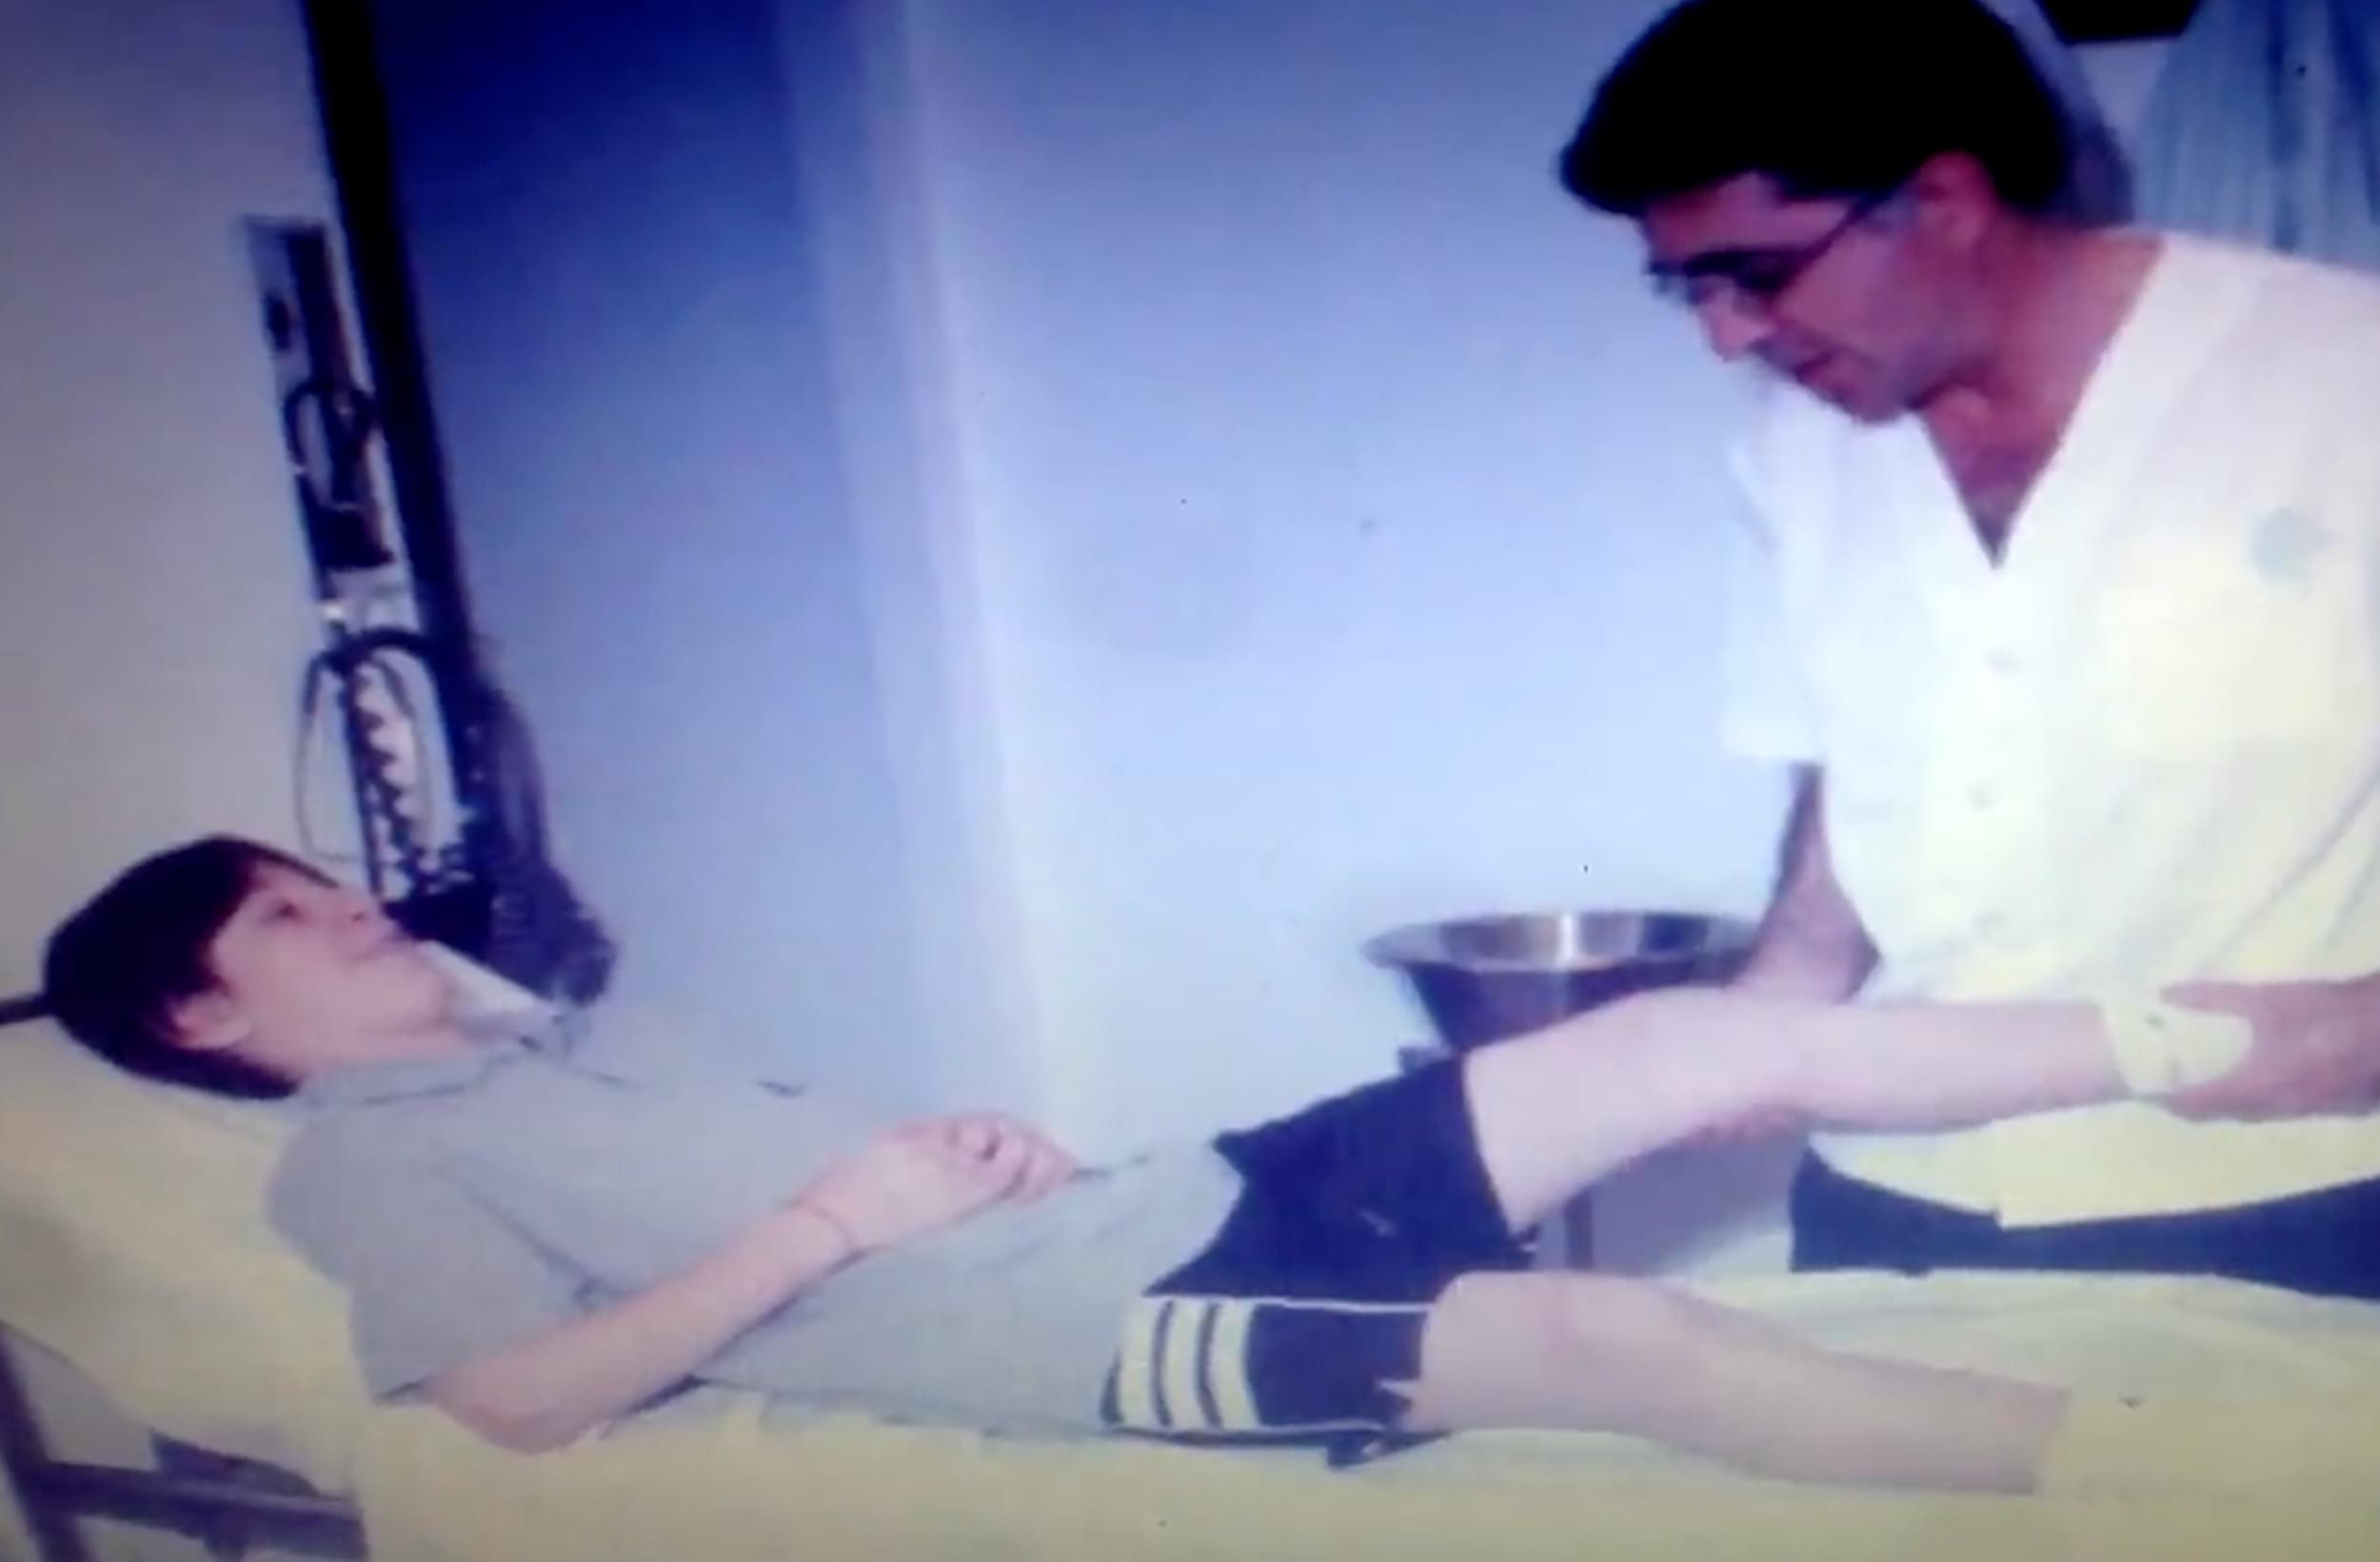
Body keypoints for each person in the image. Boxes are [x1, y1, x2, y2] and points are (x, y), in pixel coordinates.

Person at [46, 834, 2268, 1493]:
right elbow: (508, 1406)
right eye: (283, 915)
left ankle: (2218, 1044)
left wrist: (956, 1149)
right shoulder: (362, 1167)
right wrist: (842, 1215)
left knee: (1673, 1036)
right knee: (1622, 1337)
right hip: (1095, 1329)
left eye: (318, 876)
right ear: (202, 1021)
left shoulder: (590, 1038)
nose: (346, 899)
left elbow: (850, 1190)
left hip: (1153, 1191)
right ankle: (2164, 1487)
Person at [1557, 0, 2380, 1295]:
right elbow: (1855, 781)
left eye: (1755, 274)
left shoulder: (2341, 378)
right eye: (1688, 289)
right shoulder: (1797, 448)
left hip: (2290, 1195)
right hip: (1899, 1196)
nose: (1727, 336)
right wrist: (1761, 1018)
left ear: (1943, 199)